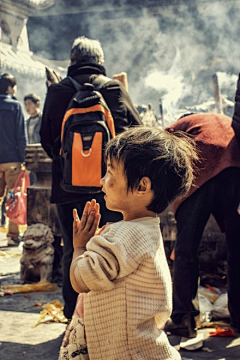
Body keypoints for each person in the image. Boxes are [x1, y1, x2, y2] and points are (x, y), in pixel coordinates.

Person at [59, 126, 197, 360]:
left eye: (110, 172)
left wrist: (80, 247)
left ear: (142, 187)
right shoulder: (146, 229)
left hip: (125, 352)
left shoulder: (126, 234)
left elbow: (82, 279)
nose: (103, 180)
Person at [40, 36, 142, 319]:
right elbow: (136, 134)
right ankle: (107, 315)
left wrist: (71, 165)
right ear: (101, 61)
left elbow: (46, 139)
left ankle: (75, 317)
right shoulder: (113, 88)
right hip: (109, 188)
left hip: (67, 189)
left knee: (75, 248)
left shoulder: (57, 91)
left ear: (72, 61)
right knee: (110, 249)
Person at [164, 112, 240, 338]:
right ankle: (239, 320)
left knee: (186, 248)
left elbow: (158, 149)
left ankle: (184, 319)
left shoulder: (181, 125)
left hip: (201, 166)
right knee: (237, 249)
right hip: (236, 166)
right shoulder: (222, 118)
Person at [0, 73, 26, 246]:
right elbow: (20, 136)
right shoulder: (15, 106)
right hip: (12, 160)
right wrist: (24, 159)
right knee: (13, 197)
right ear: (10, 87)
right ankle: (12, 236)